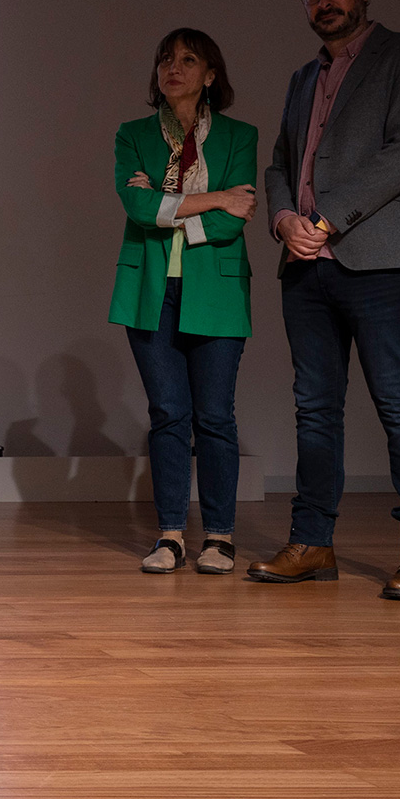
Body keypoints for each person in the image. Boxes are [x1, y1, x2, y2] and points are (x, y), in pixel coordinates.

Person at [253, 0, 400, 599]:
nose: (325, 2)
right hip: (305, 264)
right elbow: (279, 162)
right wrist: (285, 219)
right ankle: (312, 542)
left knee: (399, 403)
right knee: (314, 410)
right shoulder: (302, 77)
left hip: (381, 259)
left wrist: (326, 219)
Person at [111, 30, 257, 574]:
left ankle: (219, 536)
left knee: (215, 415)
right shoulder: (133, 134)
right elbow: (138, 208)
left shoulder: (240, 136)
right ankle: (170, 534)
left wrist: (168, 206)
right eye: (165, 60)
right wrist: (214, 197)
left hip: (215, 287)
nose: (173, 68)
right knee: (168, 413)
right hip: (149, 287)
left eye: (188, 60)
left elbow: (233, 221)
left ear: (210, 75)